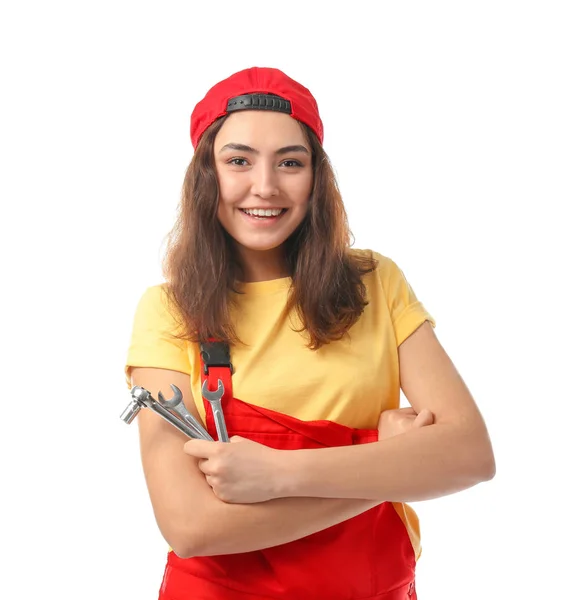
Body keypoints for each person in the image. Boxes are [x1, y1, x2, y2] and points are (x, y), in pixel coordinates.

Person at [124, 66, 496, 600]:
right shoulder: (168, 310)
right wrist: (390, 466)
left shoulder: (374, 282)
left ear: (316, 179)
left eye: (290, 163)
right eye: (238, 161)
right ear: (207, 175)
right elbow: (192, 527)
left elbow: (470, 456)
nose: (265, 186)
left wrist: (277, 475)